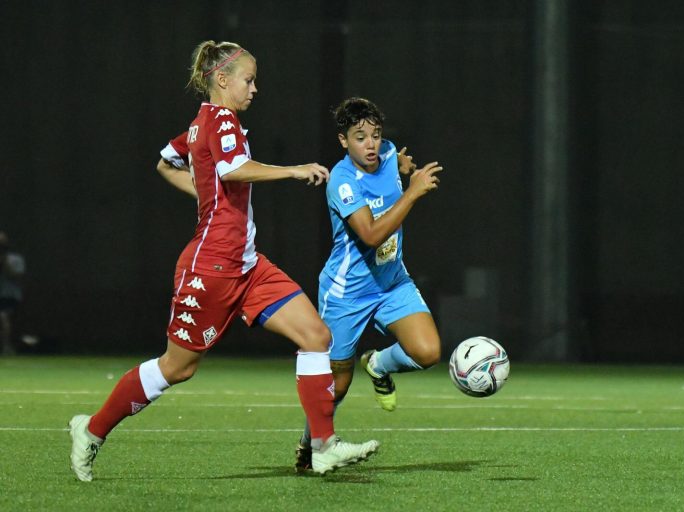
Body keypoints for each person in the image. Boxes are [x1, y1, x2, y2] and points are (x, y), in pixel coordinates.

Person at [68, 41, 379, 482]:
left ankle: (323, 446)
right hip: (210, 267)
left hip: (248, 265)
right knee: (178, 367)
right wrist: (291, 170)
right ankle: (92, 429)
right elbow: (233, 169)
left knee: (315, 335)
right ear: (222, 79)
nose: (254, 89)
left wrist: (207, 193)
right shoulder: (221, 119)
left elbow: (166, 163)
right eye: (248, 80)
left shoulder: (201, 124)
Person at [295, 97, 443, 472]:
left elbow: (396, 166)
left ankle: (378, 364)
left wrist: (403, 169)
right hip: (347, 294)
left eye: (375, 135)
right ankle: (309, 444)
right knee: (338, 385)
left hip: (392, 283)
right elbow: (371, 234)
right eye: (361, 137)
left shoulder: (389, 153)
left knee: (427, 352)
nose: (372, 144)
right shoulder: (342, 180)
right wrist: (412, 192)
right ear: (344, 141)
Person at [0, 232, 25, 356]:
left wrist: (4, 263)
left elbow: (17, 277)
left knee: (4, 317)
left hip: (9, 295)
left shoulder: (15, 259)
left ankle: (6, 346)